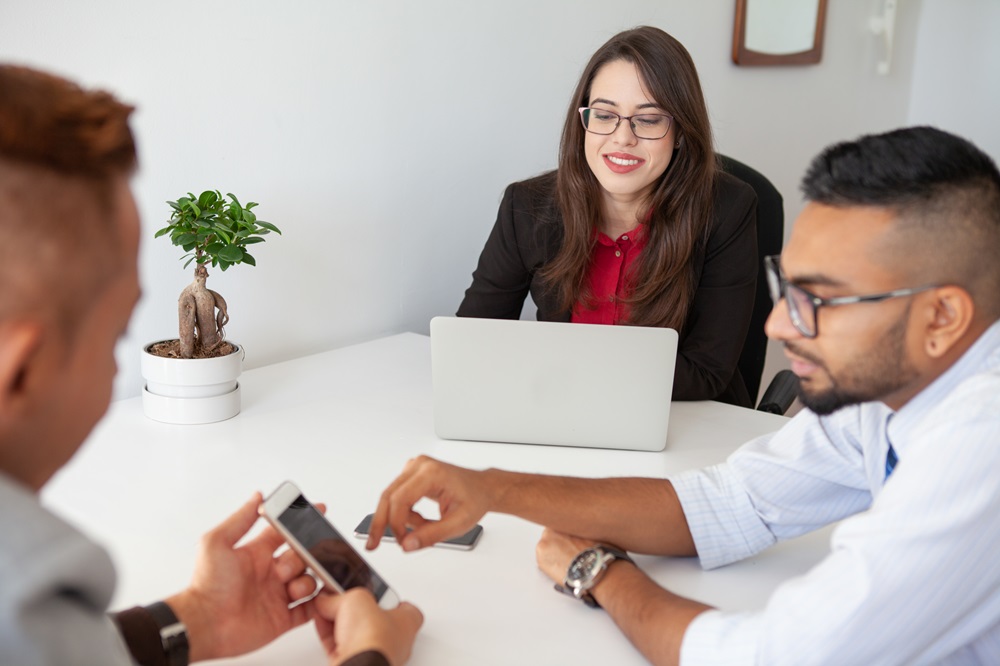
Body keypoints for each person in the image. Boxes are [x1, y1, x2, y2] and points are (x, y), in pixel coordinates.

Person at [370, 126, 1000, 664]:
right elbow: (732, 502)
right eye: (788, 289)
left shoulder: (979, 440)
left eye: (821, 302)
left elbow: (766, 658)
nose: (779, 327)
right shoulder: (889, 389)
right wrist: (493, 488)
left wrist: (601, 574)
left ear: (942, 316)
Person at [0, 65, 422, 666]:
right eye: (116, 338)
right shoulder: (27, 595)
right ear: (23, 370)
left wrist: (195, 619)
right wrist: (373, 656)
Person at [457, 26, 759, 407]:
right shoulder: (527, 207)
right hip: (558, 411)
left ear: (681, 132)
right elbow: (470, 339)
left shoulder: (726, 211)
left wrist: (558, 371)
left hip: (680, 419)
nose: (622, 138)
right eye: (604, 114)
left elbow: (706, 372)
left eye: (648, 120)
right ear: (583, 120)